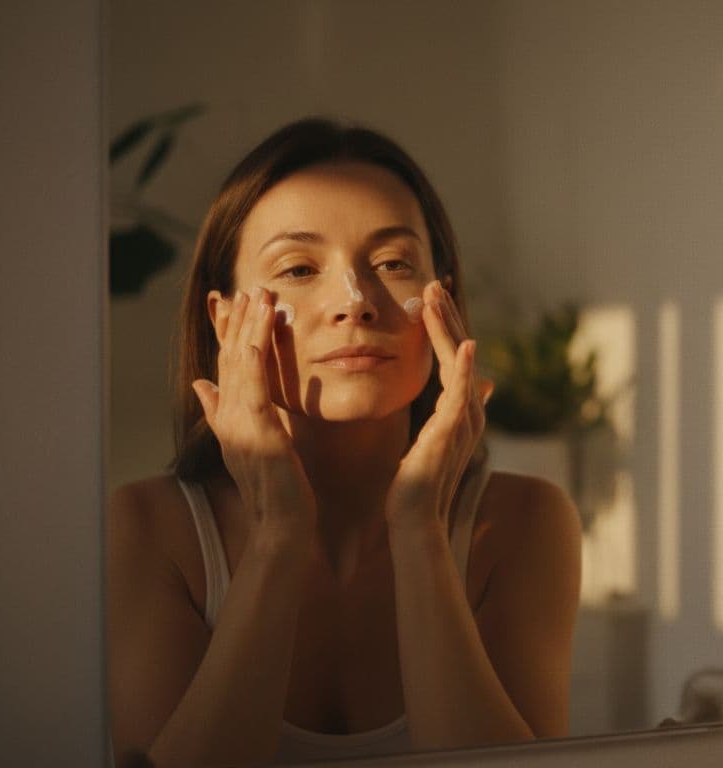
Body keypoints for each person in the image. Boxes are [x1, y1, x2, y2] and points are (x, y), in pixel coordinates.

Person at [108, 118, 582, 767]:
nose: (353, 302)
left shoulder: (524, 523)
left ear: (443, 297)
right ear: (224, 321)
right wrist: (278, 533)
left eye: (393, 263)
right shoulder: (147, 530)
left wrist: (419, 527)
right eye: (299, 267)